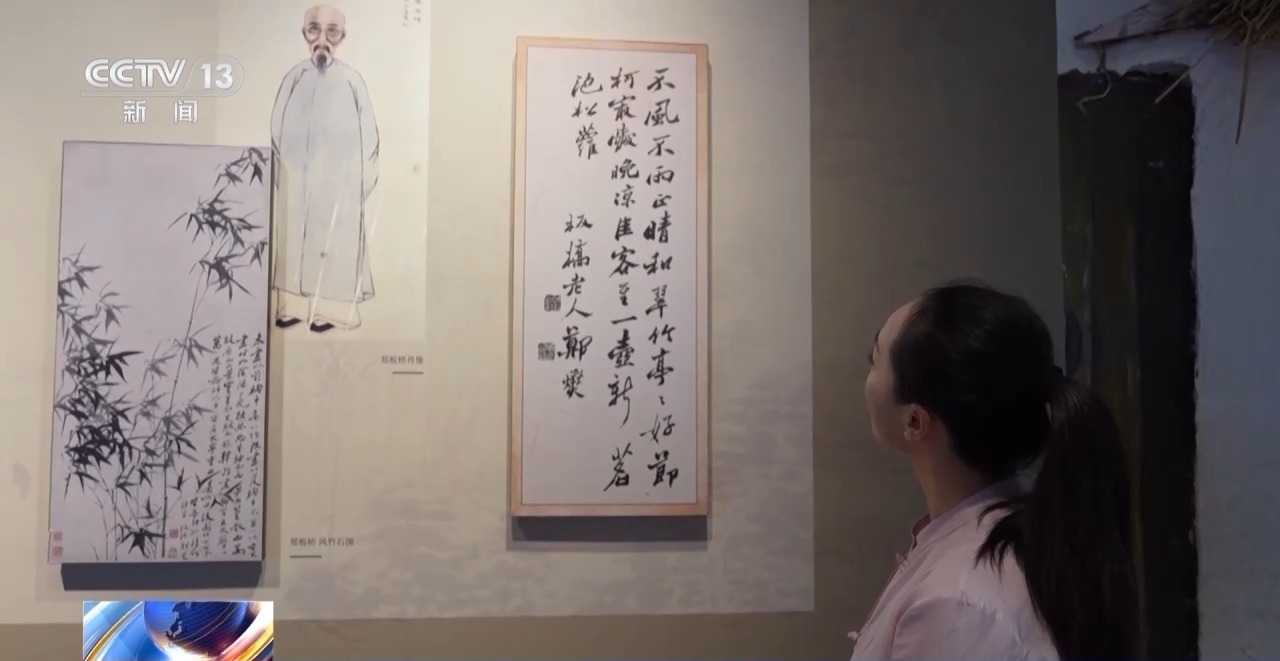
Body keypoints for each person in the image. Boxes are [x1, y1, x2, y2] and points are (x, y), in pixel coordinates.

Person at [852, 281, 1137, 660]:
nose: (867, 373)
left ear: (915, 421)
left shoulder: (956, 605)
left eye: (874, 359)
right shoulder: (1015, 537)